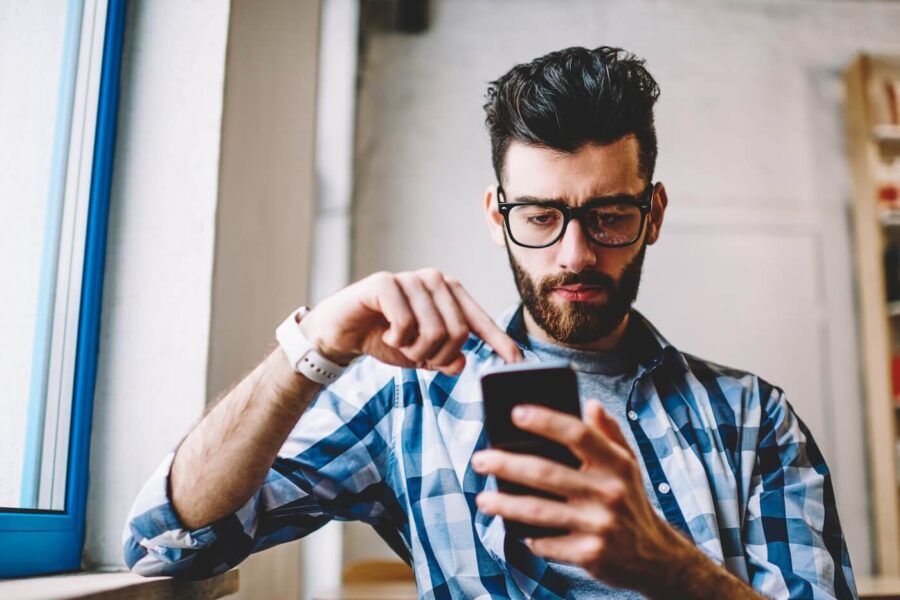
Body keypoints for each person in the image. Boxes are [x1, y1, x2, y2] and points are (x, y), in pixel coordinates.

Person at [123, 46, 857, 599]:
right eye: (541, 216)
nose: (575, 255)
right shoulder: (408, 397)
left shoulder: (753, 418)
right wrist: (316, 344)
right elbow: (169, 541)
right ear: (497, 218)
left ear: (652, 215)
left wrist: (666, 567)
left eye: (609, 217)